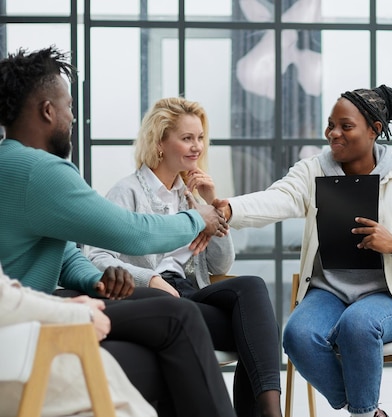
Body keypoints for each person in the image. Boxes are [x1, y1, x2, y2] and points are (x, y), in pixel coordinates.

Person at [0, 46, 236, 417]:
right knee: (177, 320)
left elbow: (60, 252)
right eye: (68, 107)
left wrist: (95, 281)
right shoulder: (39, 171)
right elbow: (131, 234)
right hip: (20, 328)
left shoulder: (12, 164)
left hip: (27, 316)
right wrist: (198, 218)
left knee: (169, 327)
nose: (72, 118)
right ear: (48, 111)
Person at [216, 85, 392, 417]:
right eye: (331, 124)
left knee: (357, 325)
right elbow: (278, 198)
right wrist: (229, 209)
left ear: (375, 130)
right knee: (298, 335)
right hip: (329, 293)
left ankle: (361, 415)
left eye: (345, 126)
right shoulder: (312, 170)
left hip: (391, 297)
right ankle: (367, 411)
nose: (334, 133)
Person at [87, 96, 282, 417]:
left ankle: (269, 412)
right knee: (257, 330)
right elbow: (96, 257)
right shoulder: (128, 191)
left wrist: (213, 204)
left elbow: (220, 265)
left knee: (252, 290)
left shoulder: (190, 194)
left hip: (189, 294)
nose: (197, 147)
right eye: (187, 138)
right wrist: (149, 279)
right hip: (152, 300)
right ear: (160, 142)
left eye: (201, 138)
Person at [0, 263, 157, 417]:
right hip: (17, 352)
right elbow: (4, 300)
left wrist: (66, 304)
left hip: (23, 332)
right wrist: (80, 315)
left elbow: (7, 290)